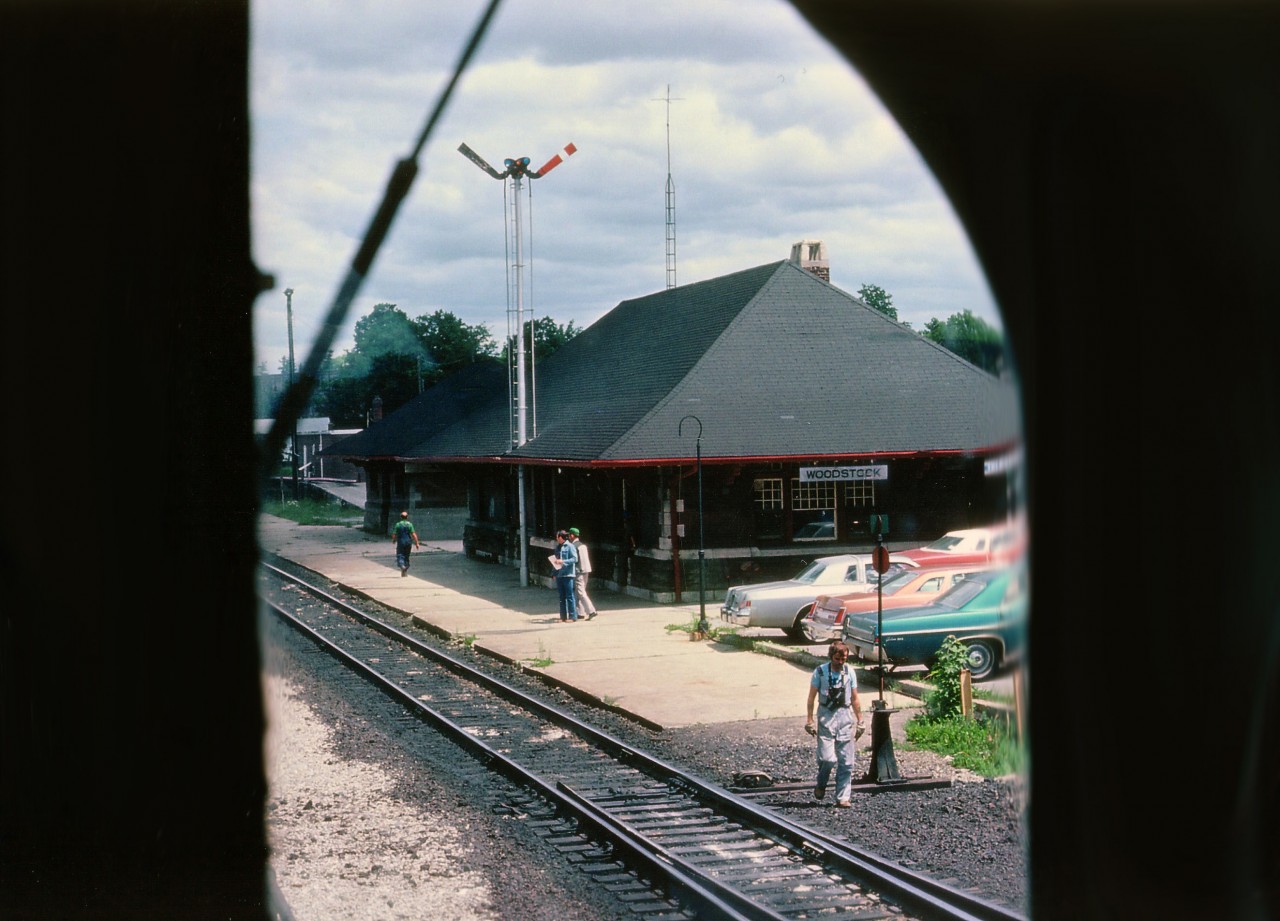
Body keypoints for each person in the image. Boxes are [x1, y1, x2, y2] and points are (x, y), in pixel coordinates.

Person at [805, 639, 864, 807]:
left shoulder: (850, 673)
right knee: (827, 758)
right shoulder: (820, 672)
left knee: (847, 761)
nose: (840, 662)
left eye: (843, 659)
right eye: (837, 659)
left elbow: (854, 698)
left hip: (845, 716)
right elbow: (811, 698)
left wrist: (860, 720)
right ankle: (821, 783)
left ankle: (843, 797)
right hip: (826, 716)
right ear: (831, 656)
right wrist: (809, 720)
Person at [568, 527, 597, 620]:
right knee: (580, 592)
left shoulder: (573, 546)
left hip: (579, 571)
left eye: (569, 535)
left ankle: (591, 611)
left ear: (572, 535)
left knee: (580, 592)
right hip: (586, 570)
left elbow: (575, 560)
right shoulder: (583, 545)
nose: (568, 537)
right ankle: (580, 612)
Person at [552, 529, 579, 622]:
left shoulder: (570, 546)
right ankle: (563, 616)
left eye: (557, 537)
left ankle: (572, 616)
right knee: (561, 596)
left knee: (569, 596)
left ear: (560, 537)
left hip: (568, 574)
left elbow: (575, 559)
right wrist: (554, 573)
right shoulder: (558, 547)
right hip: (559, 574)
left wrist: (563, 562)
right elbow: (555, 560)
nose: (556, 538)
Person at [392, 511, 420, 577]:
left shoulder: (398, 524)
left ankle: (402, 566)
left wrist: (394, 540)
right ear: (407, 517)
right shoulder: (410, 524)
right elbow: (413, 534)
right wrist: (417, 543)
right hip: (408, 542)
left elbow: (394, 534)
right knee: (407, 556)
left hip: (401, 541)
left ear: (401, 517)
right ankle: (405, 570)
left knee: (400, 554)